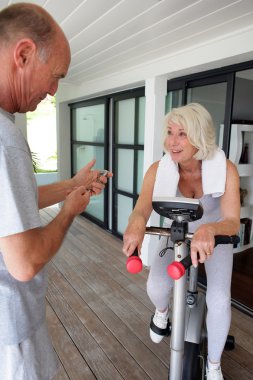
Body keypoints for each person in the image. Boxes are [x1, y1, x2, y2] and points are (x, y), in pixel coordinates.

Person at [0, 3, 112, 380]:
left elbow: (11, 206)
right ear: (24, 54)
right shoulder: (5, 139)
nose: (53, 90)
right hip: (9, 329)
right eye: (56, 76)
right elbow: (24, 262)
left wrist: (72, 186)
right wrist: (68, 212)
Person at [123, 103, 240, 380]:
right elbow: (141, 209)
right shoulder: (158, 169)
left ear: (199, 136)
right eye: (169, 132)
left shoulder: (225, 169)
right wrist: (136, 224)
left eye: (182, 134)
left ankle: (213, 364)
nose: (172, 142)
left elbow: (232, 220)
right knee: (157, 285)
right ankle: (161, 313)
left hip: (214, 238)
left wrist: (209, 229)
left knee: (220, 300)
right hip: (176, 232)